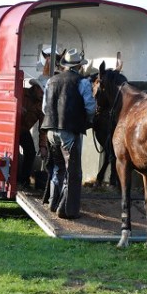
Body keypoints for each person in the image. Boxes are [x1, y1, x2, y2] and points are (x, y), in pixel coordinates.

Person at [40, 48, 96, 219]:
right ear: (79, 66)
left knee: (57, 168)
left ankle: (53, 201)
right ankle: (66, 210)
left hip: (50, 131)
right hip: (69, 131)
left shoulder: (51, 81)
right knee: (72, 171)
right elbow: (90, 107)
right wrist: (87, 118)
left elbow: (44, 108)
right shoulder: (82, 82)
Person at [18, 79, 48, 189]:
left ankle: (24, 181)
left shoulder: (41, 105)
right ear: (35, 88)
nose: (43, 95)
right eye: (42, 92)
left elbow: (43, 128)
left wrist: (43, 146)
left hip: (23, 131)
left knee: (31, 152)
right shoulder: (20, 92)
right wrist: (16, 108)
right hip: (11, 129)